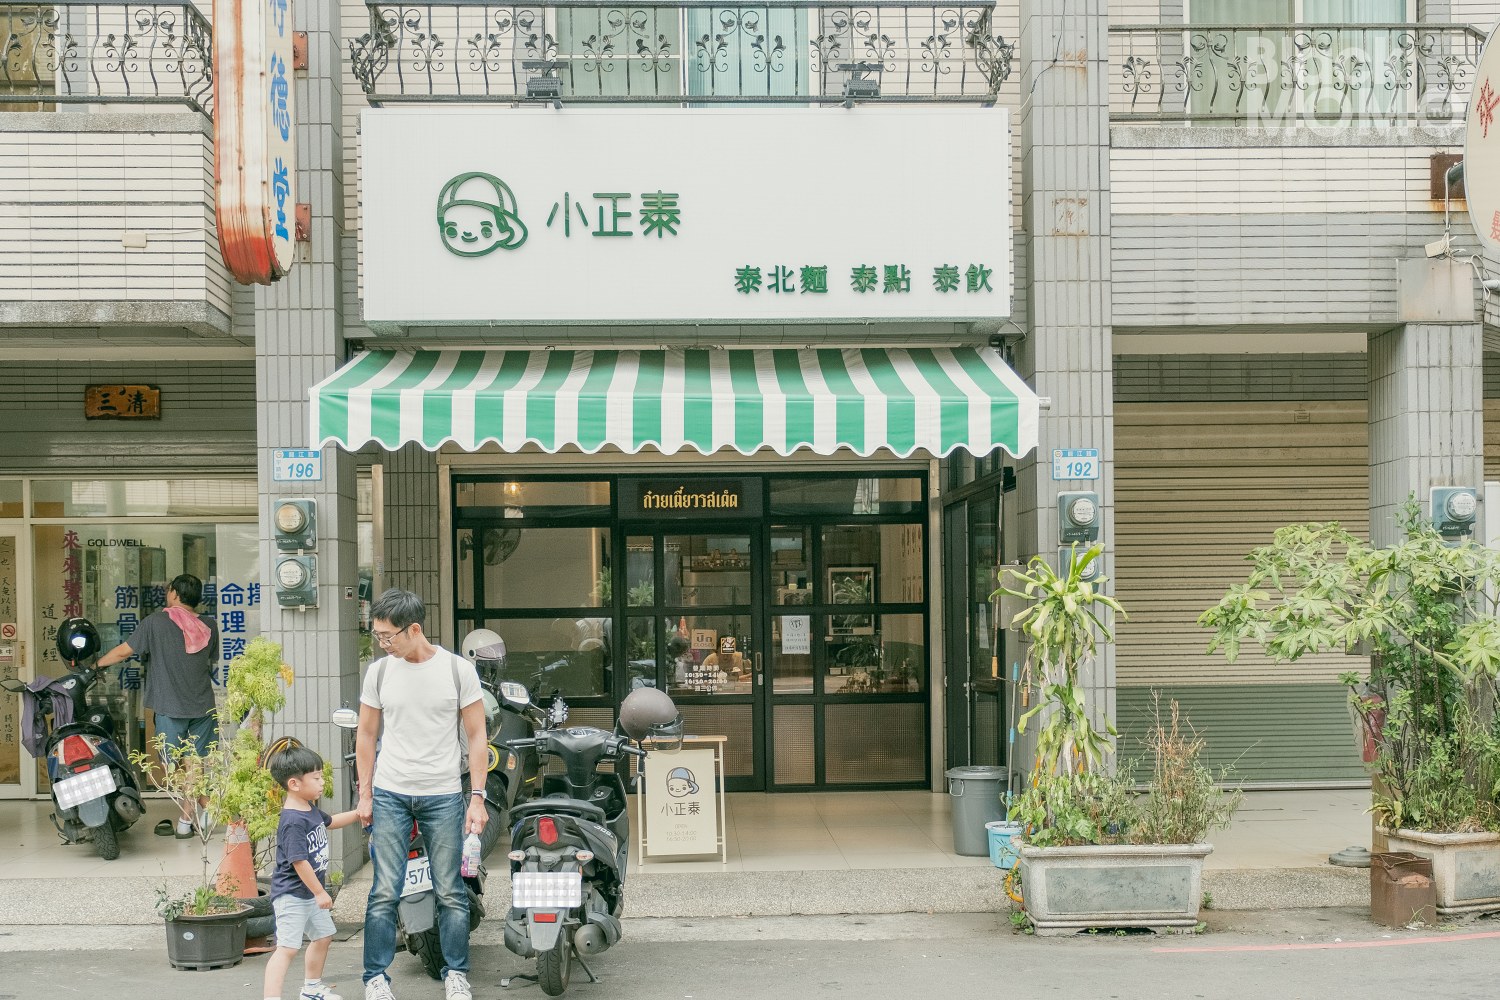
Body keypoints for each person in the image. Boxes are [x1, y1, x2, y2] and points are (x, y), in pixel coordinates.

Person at [357, 589, 488, 1000]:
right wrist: (365, 794)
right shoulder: (379, 672)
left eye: (388, 636)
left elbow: (477, 734)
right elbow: (366, 734)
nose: (383, 643)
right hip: (390, 793)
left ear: (415, 629)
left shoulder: (457, 671)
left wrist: (478, 797)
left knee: (450, 890)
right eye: (377, 635)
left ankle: (456, 975)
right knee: (384, 890)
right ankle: (375, 978)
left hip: (443, 794)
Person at [95, 572, 219, 838]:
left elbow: (123, 651)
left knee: (169, 766)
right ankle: (189, 821)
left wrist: (95, 665)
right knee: (195, 766)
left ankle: (201, 811)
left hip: (170, 705)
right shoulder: (210, 625)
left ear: (174, 593)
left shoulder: (156, 623)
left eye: (168, 590)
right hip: (203, 706)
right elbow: (210, 658)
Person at [264, 744, 357, 1000]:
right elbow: (299, 862)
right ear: (294, 783)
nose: (321, 782)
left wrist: (360, 813)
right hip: (292, 895)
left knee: (324, 936)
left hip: (309, 894)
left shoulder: (309, 809)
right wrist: (320, 892)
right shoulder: (293, 820)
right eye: (316, 778)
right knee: (286, 949)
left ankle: (312, 988)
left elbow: (332, 822)